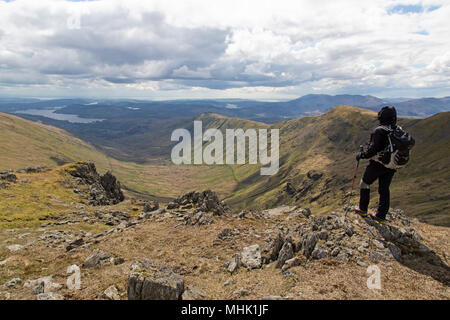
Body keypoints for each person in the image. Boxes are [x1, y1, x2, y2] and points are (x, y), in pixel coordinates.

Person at [354, 106, 398, 222]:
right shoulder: (397, 130)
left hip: (378, 164)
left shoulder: (379, 131)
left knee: (364, 183)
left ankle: (363, 209)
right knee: (384, 189)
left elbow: (372, 151)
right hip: (391, 165)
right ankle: (381, 216)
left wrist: (361, 155)